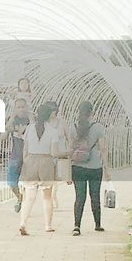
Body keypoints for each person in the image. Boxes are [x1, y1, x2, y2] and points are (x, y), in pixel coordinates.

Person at [18, 100, 63, 235]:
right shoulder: (53, 131)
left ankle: (23, 223)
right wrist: (66, 153)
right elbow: (54, 153)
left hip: (31, 161)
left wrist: (25, 163)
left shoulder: (30, 128)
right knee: (47, 197)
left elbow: (25, 149)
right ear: (50, 115)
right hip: (46, 162)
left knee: (29, 197)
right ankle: (48, 225)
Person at [69, 100, 108, 235]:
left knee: (80, 196)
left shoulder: (73, 127)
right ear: (92, 113)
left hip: (77, 167)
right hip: (95, 167)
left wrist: (68, 171)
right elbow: (103, 149)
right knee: (95, 195)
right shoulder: (98, 128)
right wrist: (107, 169)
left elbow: (70, 149)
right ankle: (97, 224)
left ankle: (76, 226)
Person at [6, 96, 30, 209]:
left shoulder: (31, 120)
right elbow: (4, 133)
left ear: (26, 107)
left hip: (28, 156)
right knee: (11, 182)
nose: (21, 109)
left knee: (28, 183)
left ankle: (25, 203)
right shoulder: (12, 120)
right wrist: (12, 117)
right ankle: (19, 197)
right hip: (15, 155)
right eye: (18, 107)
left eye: (22, 107)